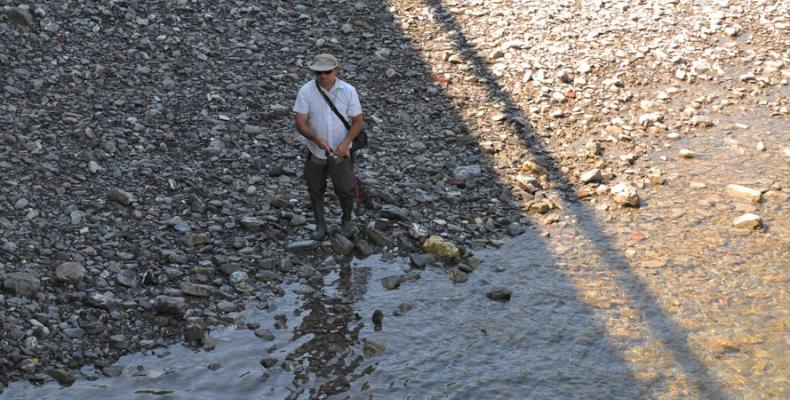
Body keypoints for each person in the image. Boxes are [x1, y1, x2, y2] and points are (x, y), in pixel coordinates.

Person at [293, 54, 364, 241]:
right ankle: (320, 225)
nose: (322, 76)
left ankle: (347, 221)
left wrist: (346, 142)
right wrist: (316, 139)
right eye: (318, 72)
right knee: (315, 188)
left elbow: (358, 122)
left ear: (336, 71)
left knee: (346, 188)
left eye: (326, 72)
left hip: (341, 151)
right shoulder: (306, 91)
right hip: (316, 151)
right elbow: (299, 123)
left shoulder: (349, 91)